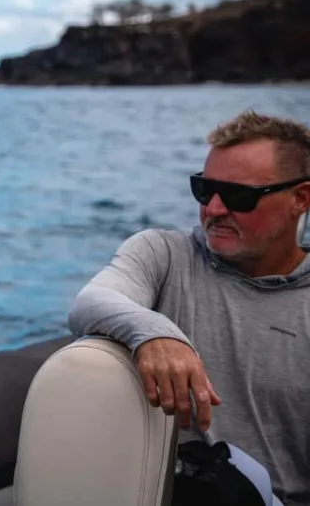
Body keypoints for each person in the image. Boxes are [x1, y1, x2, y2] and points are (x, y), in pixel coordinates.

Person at [68, 109, 310, 505]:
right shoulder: (163, 255)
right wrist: (156, 333)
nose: (213, 209)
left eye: (238, 196)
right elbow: (91, 302)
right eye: (204, 190)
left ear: (300, 199)